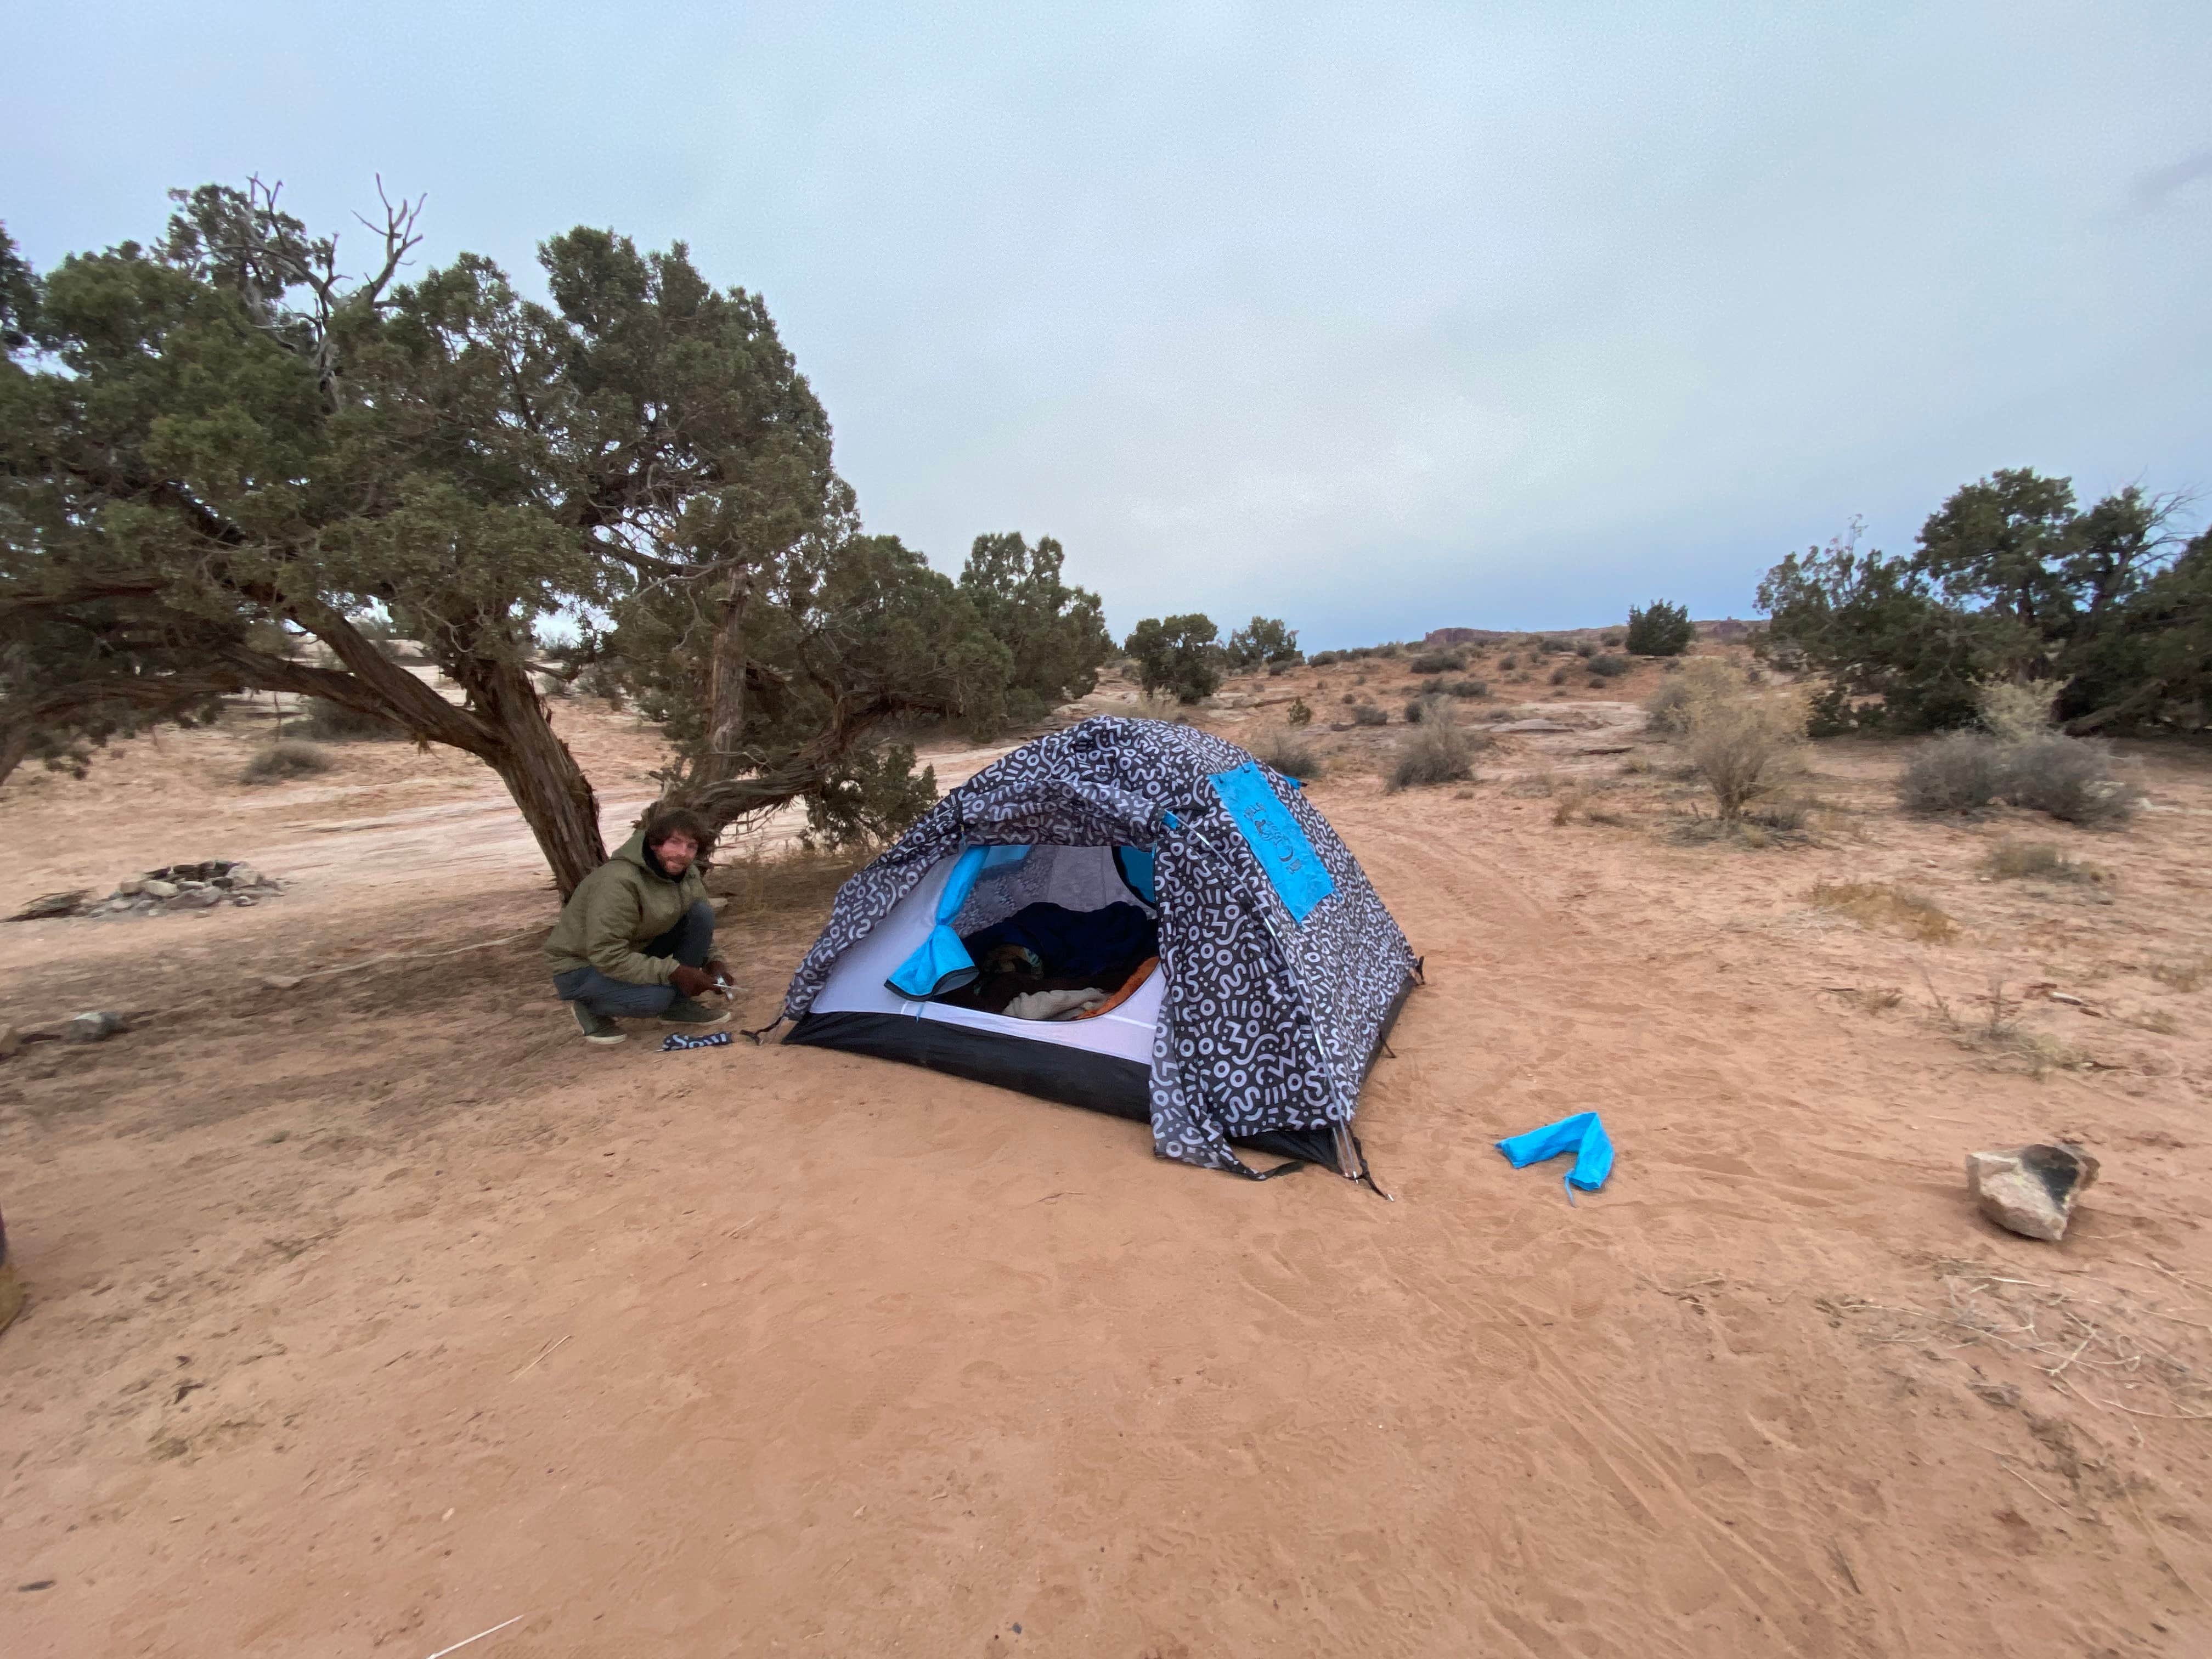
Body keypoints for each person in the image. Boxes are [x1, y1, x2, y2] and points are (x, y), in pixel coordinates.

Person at [545, 806, 733, 1045]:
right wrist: (674, 972)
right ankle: (590, 1006)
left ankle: (677, 1006)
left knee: (701, 914)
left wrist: (714, 963)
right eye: (674, 843)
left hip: (633, 951)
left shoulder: (689, 874)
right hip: (582, 965)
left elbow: (695, 926)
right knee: (656, 998)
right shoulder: (619, 881)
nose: (682, 854)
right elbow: (606, 954)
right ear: (655, 844)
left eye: (691, 847)